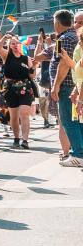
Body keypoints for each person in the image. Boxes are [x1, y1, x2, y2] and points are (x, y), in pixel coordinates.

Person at [48, 10, 81, 167]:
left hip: (67, 87)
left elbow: (62, 63)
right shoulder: (75, 36)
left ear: (57, 23)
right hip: (74, 85)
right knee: (76, 120)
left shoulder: (62, 38)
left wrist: (55, 86)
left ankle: (78, 154)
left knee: (68, 120)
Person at [0, 33, 35, 149]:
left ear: (21, 44)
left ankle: (25, 140)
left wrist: (32, 68)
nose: (15, 45)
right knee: (14, 116)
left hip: (25, 87)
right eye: (12, 44)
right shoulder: (6, 56)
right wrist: (5, 37)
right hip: (10, 88)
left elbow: (32, 75)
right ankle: (16, 138)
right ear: (9, 46)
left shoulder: (26, 58)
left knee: (24, 114)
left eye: (17, 43)